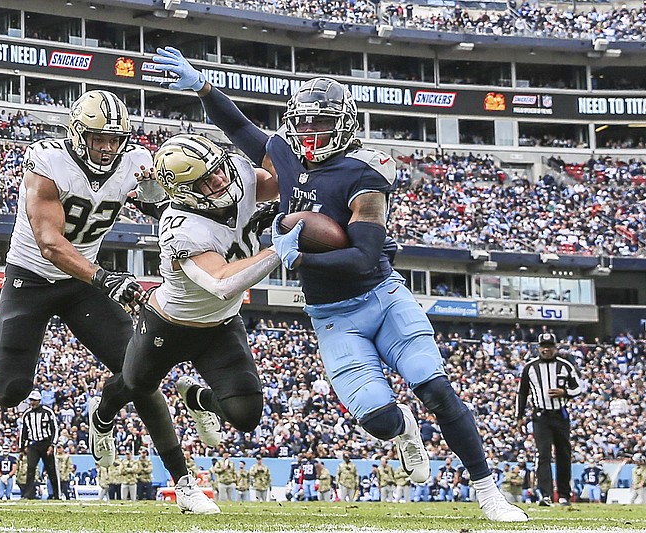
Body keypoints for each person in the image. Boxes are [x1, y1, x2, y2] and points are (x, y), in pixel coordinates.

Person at [151, 46, 527, 522]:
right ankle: (405, 430)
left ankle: (488, 492)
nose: (308, 135)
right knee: (378, 418)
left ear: (345, 123)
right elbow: (240, 128)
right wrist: (204, 87)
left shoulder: (365, 172)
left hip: (382, 298)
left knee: (435, 388)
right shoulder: (285, 154)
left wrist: (298, 255)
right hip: (331, 315)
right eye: (302, 123)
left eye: (319, 124)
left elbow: (365, 255)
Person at [0, 89, 164, 470]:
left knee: (138, 367)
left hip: (81, 282)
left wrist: (155, 195)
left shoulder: (136, 160)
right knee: (10, 392)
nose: (106, 148)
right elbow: (50, 244)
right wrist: (105, 278)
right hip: (34, 275)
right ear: (77, 134)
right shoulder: (47, 161)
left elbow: (159, 208)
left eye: (114, 139)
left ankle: (108, 426)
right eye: (99, 138)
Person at [86, 132, 280, 514]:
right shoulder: (181, 227)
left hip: (222, 325)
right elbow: (222, 282)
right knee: (136, 384)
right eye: (206, 181)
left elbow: (276, 182)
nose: (221, 181)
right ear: (185, 193)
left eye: (219, 171)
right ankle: (103, 417)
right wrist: (281, 247)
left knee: (246, 416)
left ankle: (198, 398)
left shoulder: (234, 172)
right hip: (169, 325)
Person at [516, 332, 582, 507]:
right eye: (543, 346)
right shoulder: (530, 368)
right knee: (543, 454)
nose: (546, 349)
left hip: (560, 414)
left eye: (550, 346)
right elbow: (522, 393)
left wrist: (565, 392)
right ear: (539, 348)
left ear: (555, 348)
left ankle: (563, 495)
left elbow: (578, 388)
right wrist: (519, 417)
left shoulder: (565, 366)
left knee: (563, 454)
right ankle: (545, 494)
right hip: (540, 416)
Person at [19, 390, 60, 499]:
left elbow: (55, 428)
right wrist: (22, 447)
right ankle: (28, 495)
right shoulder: (27, 414)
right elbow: (23, 431)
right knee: (31, 468)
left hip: (46, 443)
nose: (32, 403)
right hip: (34, 444)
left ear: (39, 401)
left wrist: (52, 444)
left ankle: (56, 494)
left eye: (34, 400)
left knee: (51, 470)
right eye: (31, 400)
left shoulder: (47, 412)